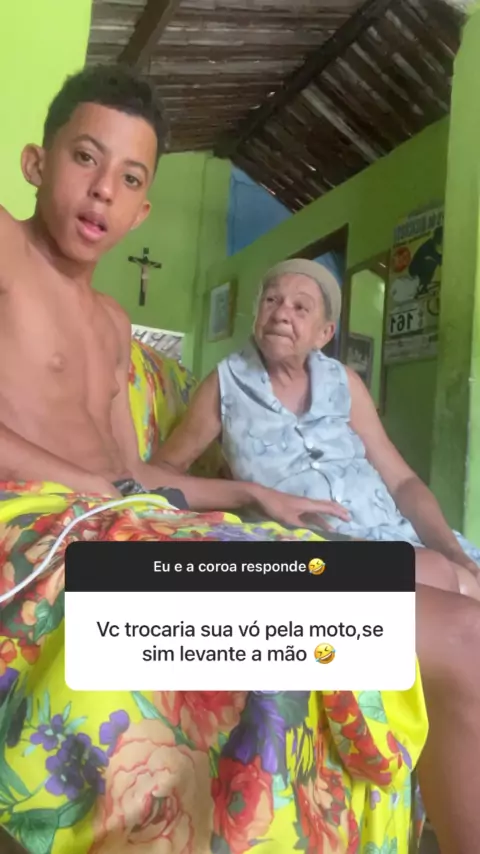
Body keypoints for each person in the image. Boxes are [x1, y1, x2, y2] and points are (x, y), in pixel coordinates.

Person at [0, 67, 354, 533]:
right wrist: (91, 486)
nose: (104, 188)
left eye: (130, 179)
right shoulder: (9, 247)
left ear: (139, 214)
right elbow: (111, 485)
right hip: (53, 516)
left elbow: (133, 472)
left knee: (419, 575)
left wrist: (255, 494)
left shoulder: (112, 322)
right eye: (85, 157)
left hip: (127, 510)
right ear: (36, 164)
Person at [156, 258, 480, 601]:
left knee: (465, 577)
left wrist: (452, 550)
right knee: (449, 582)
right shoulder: (225, 384)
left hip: (394, 532)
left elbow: (402, 482)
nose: (282, 314)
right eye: (272, 300)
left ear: (324, 333)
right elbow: (157, 474)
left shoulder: (345, 381)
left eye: (301, 307)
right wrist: (249, 493)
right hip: (315, 545)